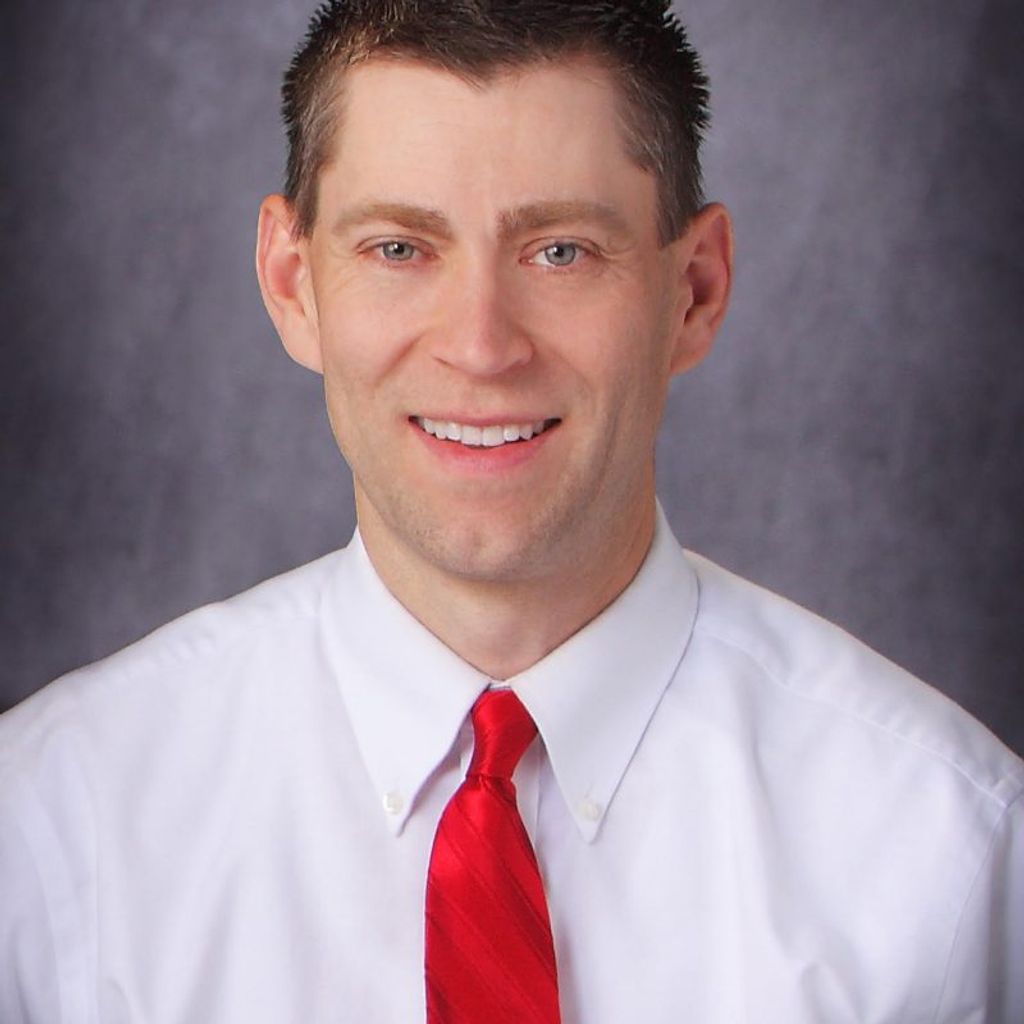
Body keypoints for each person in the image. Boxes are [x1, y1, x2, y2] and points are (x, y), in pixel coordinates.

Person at [2, 1, 1021, 1021]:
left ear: (695, 292)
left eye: (561, 251)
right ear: (292, 283)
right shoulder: (54, 829)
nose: (481, 347)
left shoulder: (950, 858)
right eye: (399, 249)